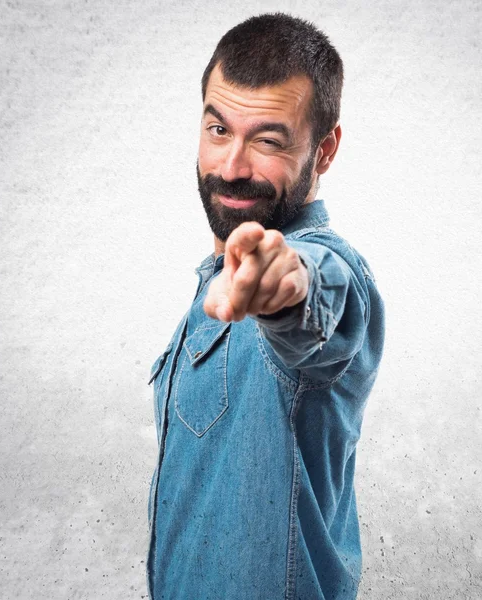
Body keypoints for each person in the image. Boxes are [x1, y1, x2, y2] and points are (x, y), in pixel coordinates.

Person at [147, 13, 385, 600]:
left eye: (268, 140)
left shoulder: (330, 271)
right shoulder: (215, 288)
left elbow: (316, 305)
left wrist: (285, 293)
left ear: (324, 150)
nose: (231, 167)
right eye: (219, 130)